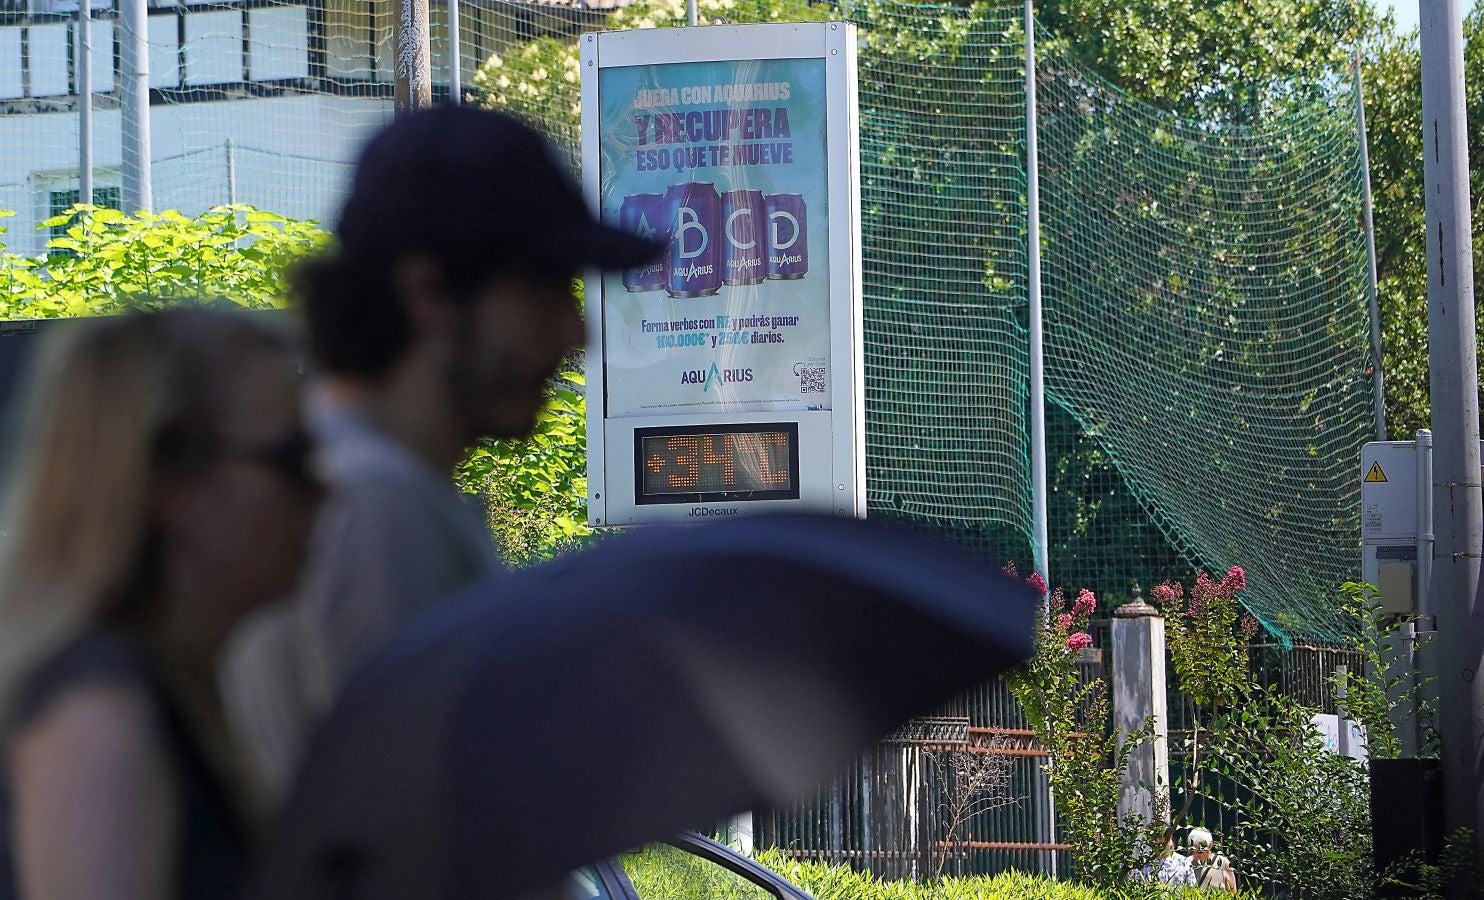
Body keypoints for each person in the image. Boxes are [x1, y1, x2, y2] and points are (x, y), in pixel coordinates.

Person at [222, 105, 664, 800]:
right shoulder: (377, 509)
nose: (576, 333)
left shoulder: (358, 481)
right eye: (546, 289)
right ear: (427, 292)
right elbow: (412, 827)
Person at [0, 309, 318, 900]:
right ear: (172, 484)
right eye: (292, 461)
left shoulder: (159, 682)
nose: (327, 490)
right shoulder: (99, 716)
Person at [1189, 826, 1237, 891]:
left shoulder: (1223, 862)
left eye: (1200, 851)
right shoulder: (1187, 863)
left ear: (1210, 845)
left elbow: (1233, 892)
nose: (1196, 854)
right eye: (1192, 850)